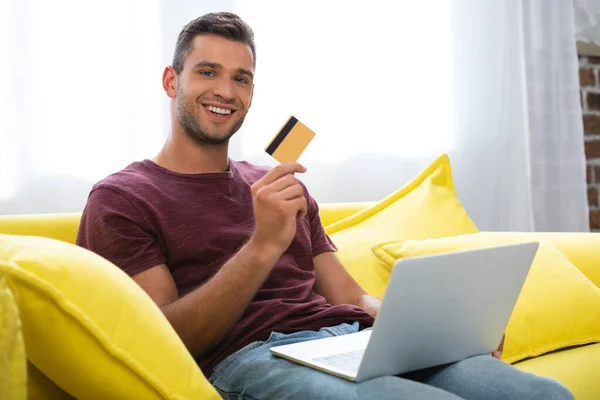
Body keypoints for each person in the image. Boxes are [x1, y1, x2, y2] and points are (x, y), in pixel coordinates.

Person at [76, 11, 574, 400]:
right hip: (250, 358)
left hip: (347, 340)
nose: (225, 91)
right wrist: (262, 245)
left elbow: (351, 297)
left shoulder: (276, 184)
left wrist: (440, 329)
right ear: (171, 81)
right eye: (208, 72)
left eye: (242, 78)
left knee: (542, 394)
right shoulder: (122, 198)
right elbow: (168, 340)